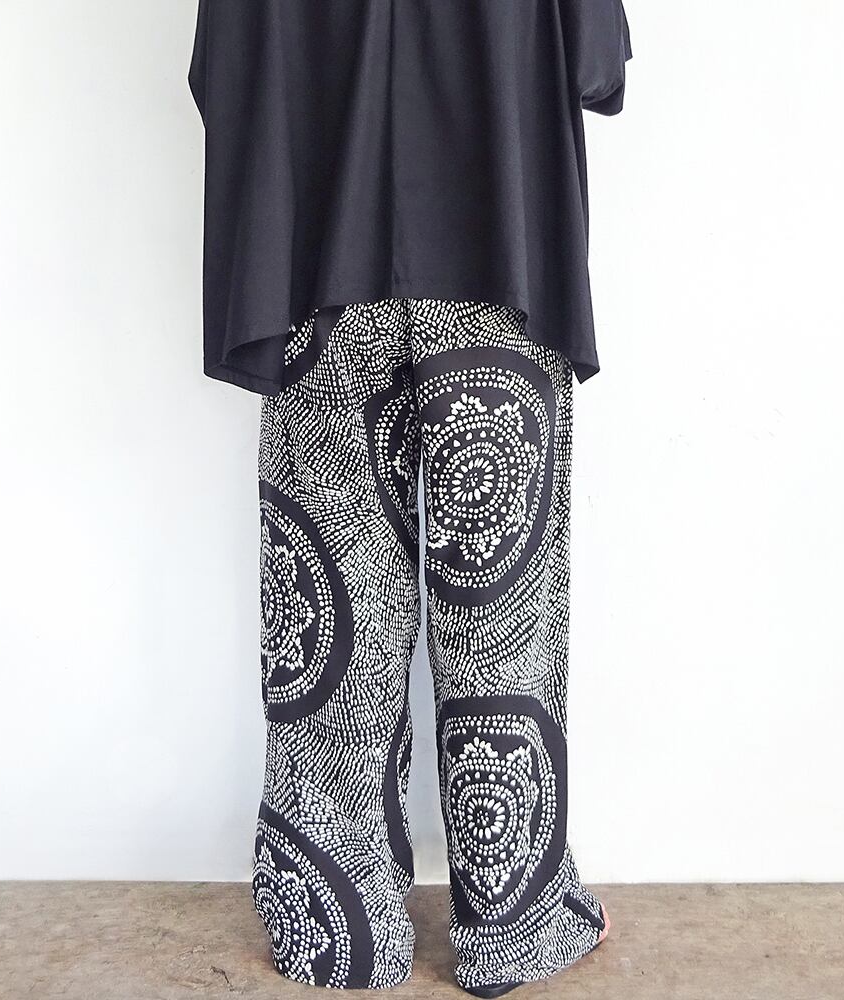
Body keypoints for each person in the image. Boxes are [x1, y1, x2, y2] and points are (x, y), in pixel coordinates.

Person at [187, 2, 632, 995]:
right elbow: (596, 63)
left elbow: (220, 62)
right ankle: (515, 924)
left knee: (331, 614)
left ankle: (334, 930)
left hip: (318, 246)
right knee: (501, 608)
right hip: (498, 242)